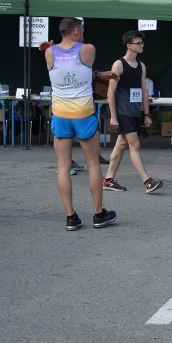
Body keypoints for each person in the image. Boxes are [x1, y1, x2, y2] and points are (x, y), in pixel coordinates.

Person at [42, 16, 117, 231]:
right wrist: (99, 74)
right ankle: (98, 213)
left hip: (60, 114)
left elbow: (66, 69)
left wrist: (50, 47)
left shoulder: (49, 52)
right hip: (83, 113)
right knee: (93, 163)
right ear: (75, 31)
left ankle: (71, 217)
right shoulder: (88, 49)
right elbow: (81, 70)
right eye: (81, 30)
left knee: (63, 166)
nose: (83, 34)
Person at [102, 31, 163, 194]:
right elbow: (110, 92)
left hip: (135, 112)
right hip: (123, 112)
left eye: (142, 43)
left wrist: (147, 114)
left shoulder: (142, 66)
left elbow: (144, 91)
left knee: (121, 144)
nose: (141, 45)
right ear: (129, 45)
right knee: (134, 145)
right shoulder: (118, 65)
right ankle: (147, 182)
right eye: (138, 43)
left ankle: (108, 180)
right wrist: (113, 116)